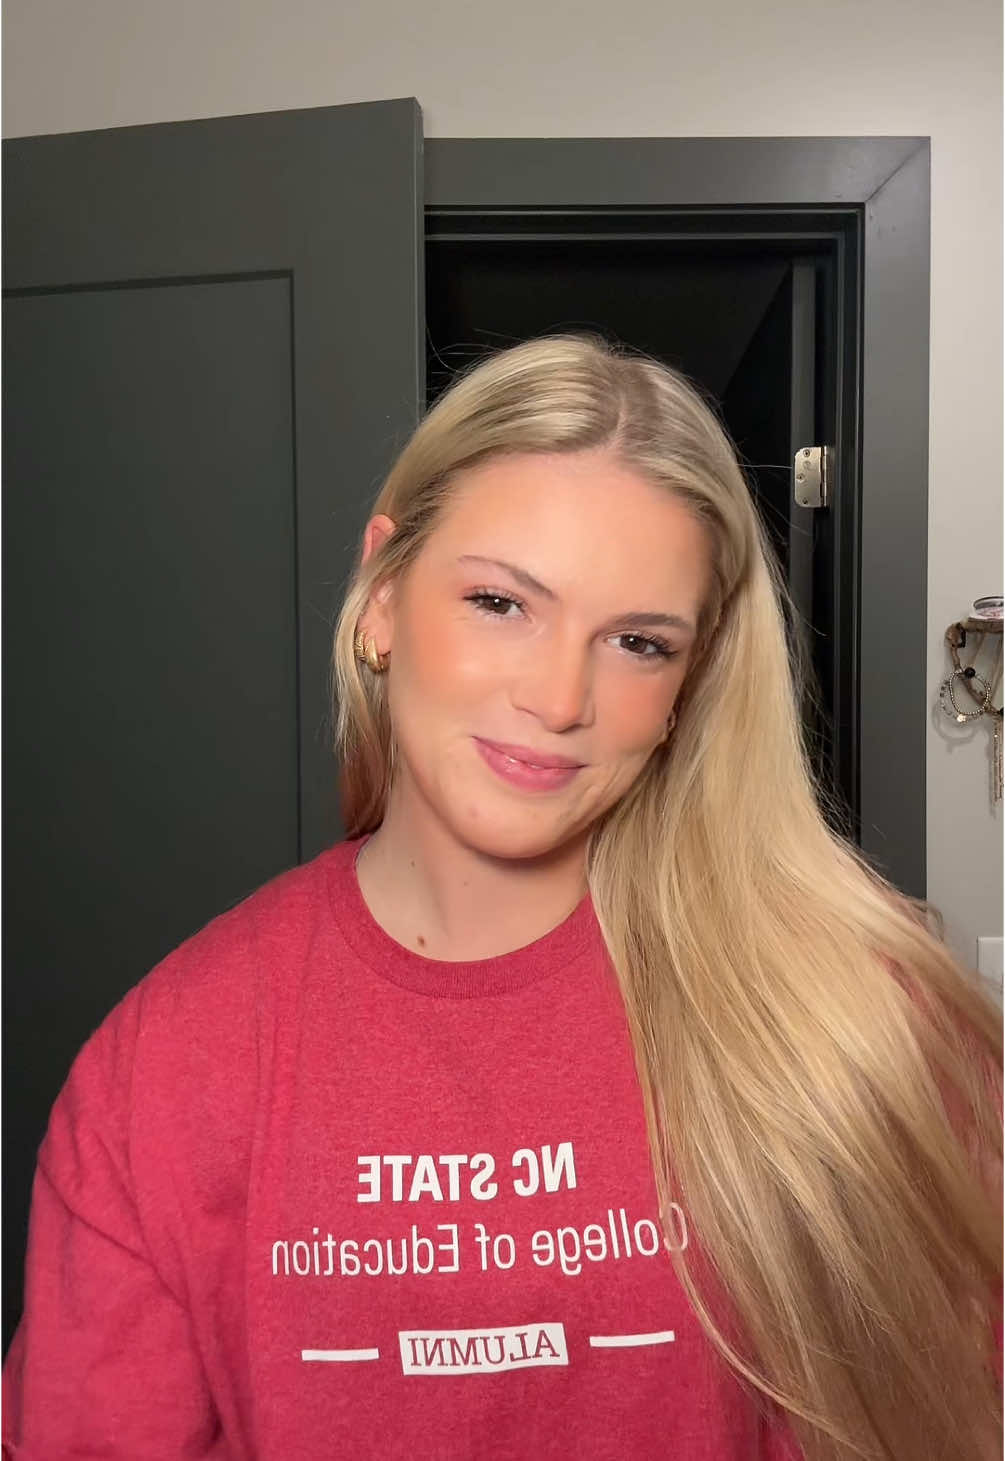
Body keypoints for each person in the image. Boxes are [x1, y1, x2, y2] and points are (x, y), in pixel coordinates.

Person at [2, 333, 1000, 1460]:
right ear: (383, 598)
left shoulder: (854, 1021)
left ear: (688, 684)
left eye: (637, 641)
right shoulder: (166, 1067)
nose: (560, 698)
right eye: (500, 602)